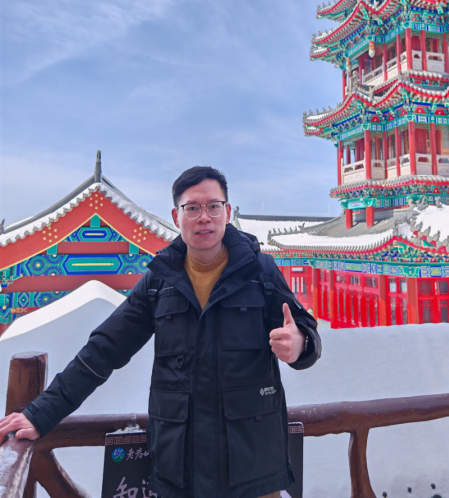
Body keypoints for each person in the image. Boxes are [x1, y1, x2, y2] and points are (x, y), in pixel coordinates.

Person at [0, 166, 321, 498]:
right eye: (192, 208)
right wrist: (41, 413)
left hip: (253, 469)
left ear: (227, 212)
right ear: (176, 216)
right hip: (179, 472)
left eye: (213, 206)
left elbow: (306, 332)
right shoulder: (159, 281)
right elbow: (103, 350)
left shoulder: (260, 271)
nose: (204, 217)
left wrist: (300, 344)